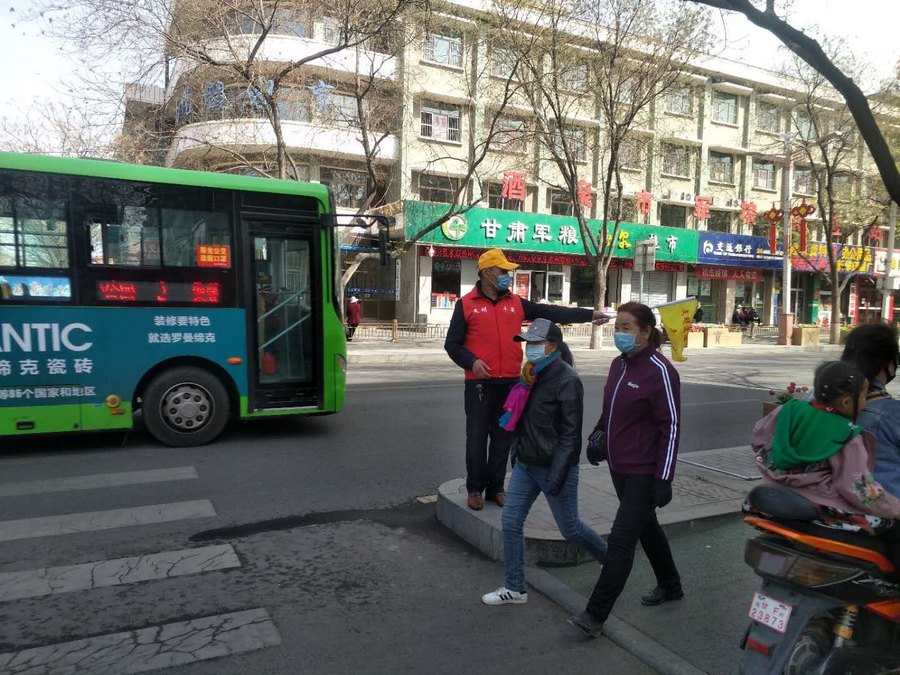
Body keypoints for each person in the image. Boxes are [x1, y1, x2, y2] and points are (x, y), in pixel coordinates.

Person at [444, 248, 609, 510]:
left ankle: (496, 488)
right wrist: (472, 362)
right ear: (487, 272)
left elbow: (551, 312)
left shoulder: (516, 303)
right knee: (476, 438)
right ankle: (475, 488)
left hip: (511, 384)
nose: (507, 275)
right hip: (479, 384)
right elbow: (452, 345)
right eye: (502, 271)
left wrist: (589, 315)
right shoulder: (466, 304)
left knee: (503, 438)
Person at [568, 302, 682, 638]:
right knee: (647, 527)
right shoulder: (619, 364)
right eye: (617, 326)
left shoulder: (661, 371)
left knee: (620, 540)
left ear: (646, 332)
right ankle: (670, 584)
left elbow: (671, 426)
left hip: (645, 471)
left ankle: (594, 616)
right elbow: (612, 408)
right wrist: (598, 436)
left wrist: (664, 477)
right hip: (620, 466)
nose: (619, 333)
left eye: (626, 327)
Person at [481, 319, 608, 605]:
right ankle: (515, 588)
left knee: (570, 528)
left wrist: (558, 473)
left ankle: (610, 560)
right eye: (528, 342)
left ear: (552, 345)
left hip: (554, 467)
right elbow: (522, 421)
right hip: (526, 464)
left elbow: (570, 434)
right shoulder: (530, 375)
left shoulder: (567, 379)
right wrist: (517, 452)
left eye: (536, 343)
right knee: (510, 522)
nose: (530, 348)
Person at [749, 360, 900, 571]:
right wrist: (895, 507)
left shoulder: (787, 411)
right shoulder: (845, 435)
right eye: (864, 396)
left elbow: (758, 440)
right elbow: (858, 489)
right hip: (821, 504)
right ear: (846, 402)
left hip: (775, 492)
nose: (865, 401)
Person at [841, 323, 900, 496]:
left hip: (832, 500)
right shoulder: (892, 414)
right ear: (889, 365)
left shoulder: (818, 398)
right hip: (884, 504)